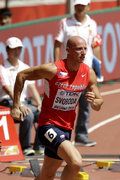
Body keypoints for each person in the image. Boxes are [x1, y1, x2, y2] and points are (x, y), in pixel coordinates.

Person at [10, 36, 103, 180]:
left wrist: (95, 102)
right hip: (48, 126)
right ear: (68, 50)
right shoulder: (53, 69)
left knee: (46, 175)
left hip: (66, 128)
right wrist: (16, 105)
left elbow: (98, 101)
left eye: (85, 48)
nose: (83, 52)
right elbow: (22, 75)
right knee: (76, 162)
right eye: (79, 49)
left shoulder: (88, 73)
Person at [54, 0, 103, 147]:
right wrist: (57, 66)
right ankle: (59, 133)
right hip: (66, 70)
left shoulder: (92, 24)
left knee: (86, 102)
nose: (80, 7)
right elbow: (57, 44)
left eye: (83, 5)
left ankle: (81, 135)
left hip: (85, 70)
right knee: (63, 103)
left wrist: (98, 67)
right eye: (77, 5)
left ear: (88, 6)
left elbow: (95, 46)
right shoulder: (65, 22)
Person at [0, 37, 43, 156]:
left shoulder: (25, 67)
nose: (17, 51)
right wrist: (19, 105)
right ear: (7, 50)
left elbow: (32, 87)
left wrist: (39, 103)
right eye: (14, 49)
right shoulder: (2, 68)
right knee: (27, 114)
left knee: (44, 113)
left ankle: (39, 146)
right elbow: (7, 89)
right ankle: (25, 146)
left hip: (23, 102)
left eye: (19, 49)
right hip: (7, 103)